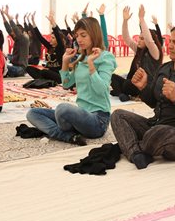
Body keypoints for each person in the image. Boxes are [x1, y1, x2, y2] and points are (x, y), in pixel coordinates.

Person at [110, 23, 175, 169]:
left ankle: (133, 145)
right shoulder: (165, 68)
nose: (170, 46)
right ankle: (136, 154)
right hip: (157, 125)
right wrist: (143, 87)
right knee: (118, 115)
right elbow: (154, 102)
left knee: (158, 132)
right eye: (170, 41)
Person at [26, 16, 116, 145]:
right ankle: (68, 137)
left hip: (97, 120)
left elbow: (101, 90)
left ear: (94, 34)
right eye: (77, 35)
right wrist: (65, 61)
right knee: (33, 113)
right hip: (79, 116)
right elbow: (66, 84)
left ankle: (62, 131)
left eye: (83, 35)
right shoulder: (80, 58)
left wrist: (91, 65)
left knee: (62, 109)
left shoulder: (106, 58)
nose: (79, 39)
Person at [110, 5, 162, 102]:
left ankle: (120, 92)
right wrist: (125, 21)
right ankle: (121, 94)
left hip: (144, 86)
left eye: (142, 38)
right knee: (113, 77)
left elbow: (148, 39)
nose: (139, 40)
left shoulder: (154, 52)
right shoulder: (139, 49)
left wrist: (141, 19)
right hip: (132, 83)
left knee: (127, 84)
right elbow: (127, 38)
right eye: (139, 37)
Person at [25, 11, 66, 84]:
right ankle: (44, 80)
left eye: (53, 38)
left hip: (58, 75)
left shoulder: (60, 48)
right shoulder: (50, 47)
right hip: (48, 72)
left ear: (57, 40)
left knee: (44, 72)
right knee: (28, 68)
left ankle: (44, 79)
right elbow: (40, 37)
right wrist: (33, 22)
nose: (50, 39)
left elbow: (57, 35)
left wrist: (53, 23)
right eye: (51, 37)